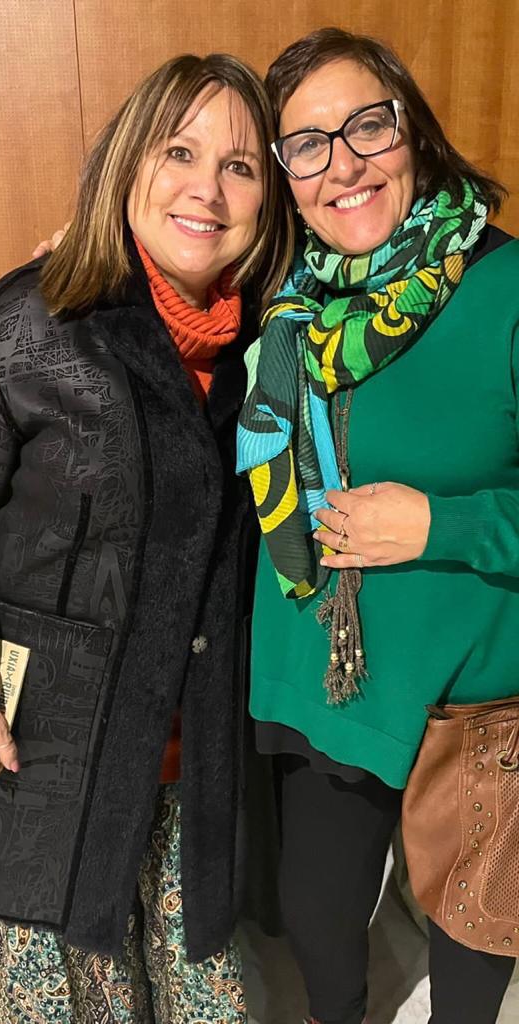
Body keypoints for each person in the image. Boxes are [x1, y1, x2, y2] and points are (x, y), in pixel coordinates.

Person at [0, 52, 292, 1023]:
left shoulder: (278, 342)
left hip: (194, 780)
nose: (206, 188)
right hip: (38, 773)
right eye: (179, 151)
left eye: (240, 166)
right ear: (128, 163)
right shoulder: (33, 319)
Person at [238, 27, 519, 1024]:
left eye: (368, 125)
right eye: (307, 145)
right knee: (317, 923)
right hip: (325, 683)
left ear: (414, 130)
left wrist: (440, 523)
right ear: (285, 175)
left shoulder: (504, 288)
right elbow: (159, 278)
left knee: (471, 947)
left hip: (471, 703)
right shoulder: (281, 299)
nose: (343, 164)